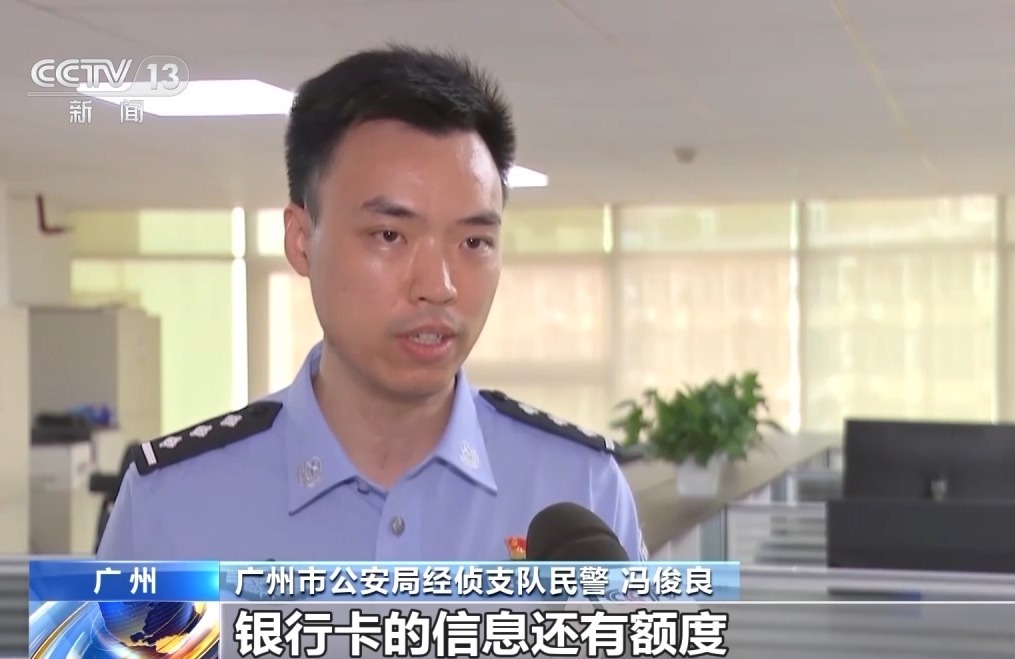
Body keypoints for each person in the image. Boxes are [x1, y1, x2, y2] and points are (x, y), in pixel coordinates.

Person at [96, 45, 646, 562]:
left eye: (474, 242)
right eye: (389, 236)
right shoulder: (171, 505)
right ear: (301, 240)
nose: (439, 285)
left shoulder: (582, 492)